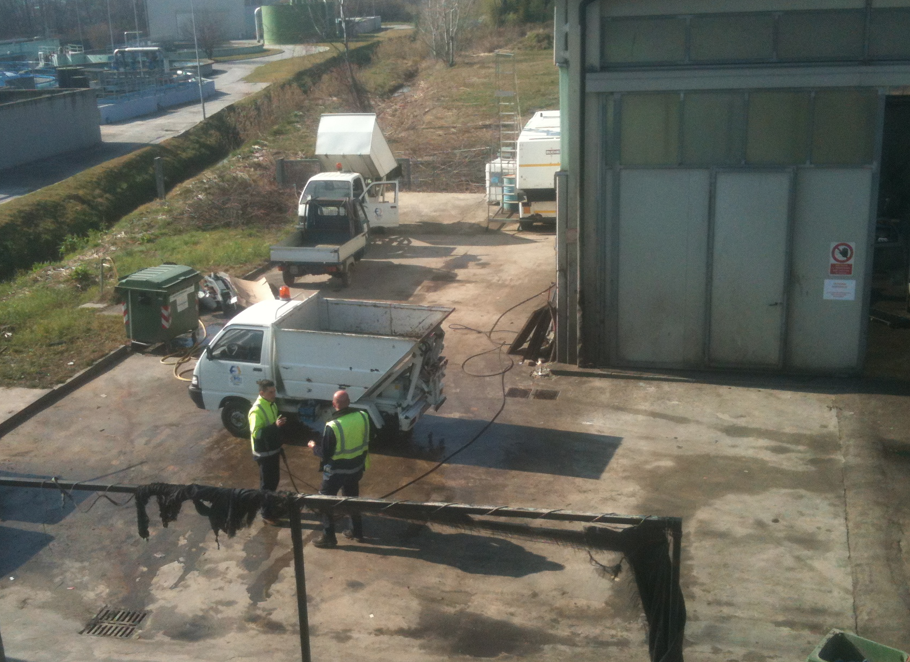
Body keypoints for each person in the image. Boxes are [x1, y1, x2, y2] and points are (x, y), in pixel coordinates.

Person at [308, 390, 371, 548]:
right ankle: (357, 532)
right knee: (351, 499)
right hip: (356, 468)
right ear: (349, 402)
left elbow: (326, 454)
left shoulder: (332, 426)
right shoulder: (363, 416)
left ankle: (329, 537)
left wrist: (314, 447)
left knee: (325, 502)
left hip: (336, 472)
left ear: (334, 404)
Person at [249, 379, 286, 524]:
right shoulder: (256, 410)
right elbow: (256, 434)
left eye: (274, 391)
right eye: (270, 392)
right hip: (264, 454)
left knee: (274, 481)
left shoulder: (271, 404)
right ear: (261, 393)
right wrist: (275, 426)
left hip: (273, 450)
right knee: (267, 484)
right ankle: (266, 513)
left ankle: (270, 507)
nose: (274, 394)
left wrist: (278, 425)